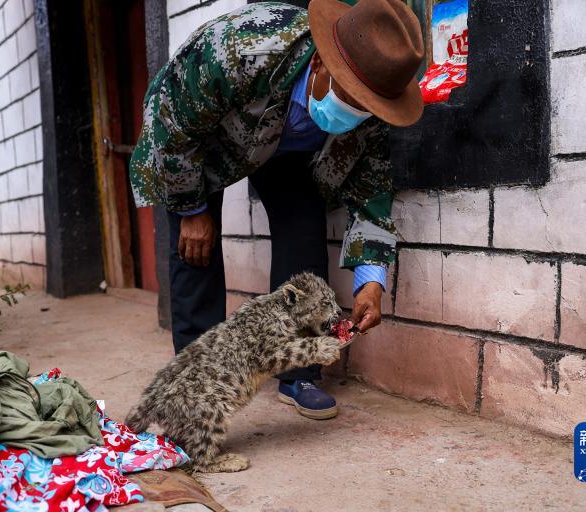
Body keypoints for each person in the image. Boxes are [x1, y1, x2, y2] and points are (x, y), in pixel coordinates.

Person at [129, 0, 424, 420]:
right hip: (201, 138)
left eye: (365, 106)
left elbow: (372, 196)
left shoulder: (372, 109)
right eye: (349, 97)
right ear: (319, 63)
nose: (355, 114)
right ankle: (196, 387)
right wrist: (192, 210)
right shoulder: (241, 49)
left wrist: (370, 283)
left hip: (286, 148)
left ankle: (298, 372)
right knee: (195, 248)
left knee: (303, 225)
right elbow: (172, 124)